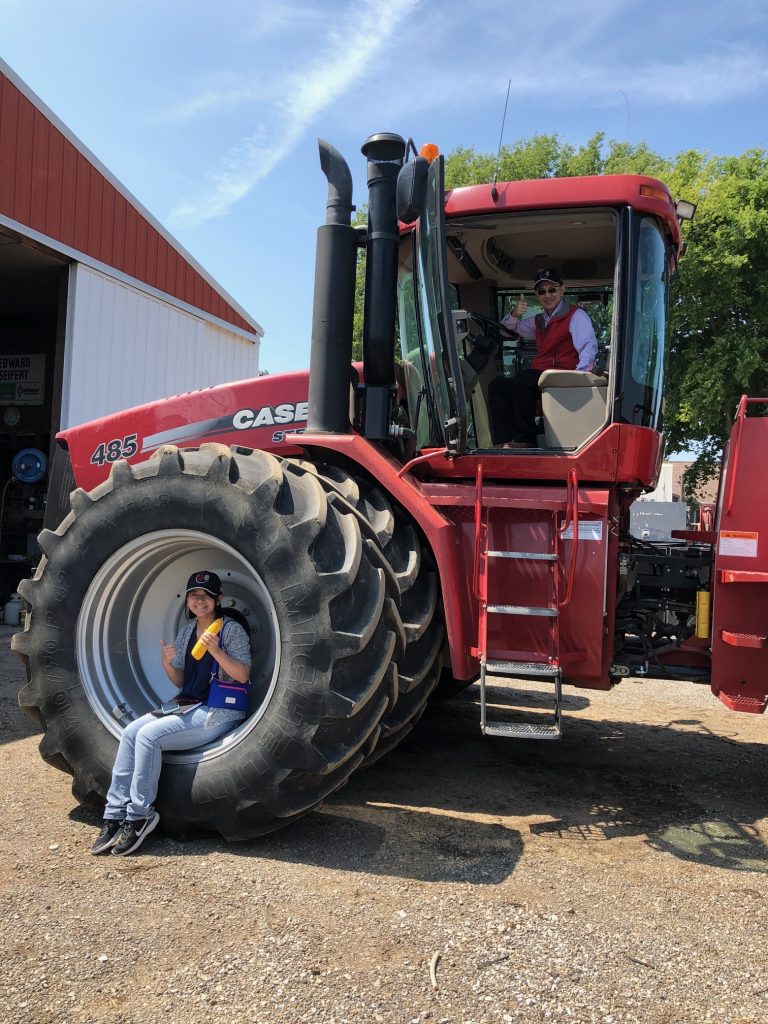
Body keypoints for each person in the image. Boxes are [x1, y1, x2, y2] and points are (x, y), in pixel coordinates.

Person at [90, 570, 251, 857]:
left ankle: (140, 816)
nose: (199, 600)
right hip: (187, 703)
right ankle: (114, 814)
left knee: (149, 737)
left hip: (218, 709)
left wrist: (216, 652)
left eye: (206, 595)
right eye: (194, 595)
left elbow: (242, 675)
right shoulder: (188, 631)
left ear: (218, 599)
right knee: (130, 732)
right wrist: (167, 664)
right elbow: (181, 682)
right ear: (188, 599)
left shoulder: (230, 630)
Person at [488, 267, 598, 447]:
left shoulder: (575, 315)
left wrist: (580, 379)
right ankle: (504, 443)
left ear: (562, 290)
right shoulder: (539, 321)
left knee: (524, 378)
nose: (547, 295)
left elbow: (588, 347)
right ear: (536, 295)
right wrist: (515, 314)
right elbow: (506, 331)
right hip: (541, 376)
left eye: (552, 290)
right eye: (541, 291)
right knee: (498, 385)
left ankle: (525, 440)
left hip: (563, 376)